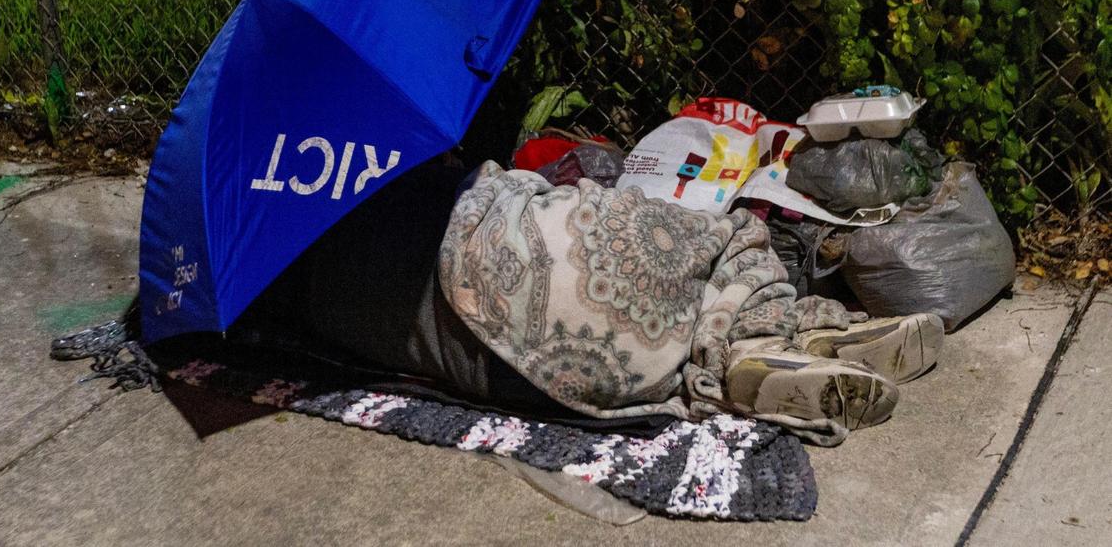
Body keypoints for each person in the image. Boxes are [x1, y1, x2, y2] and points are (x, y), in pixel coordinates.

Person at [289, 158, 942, 446]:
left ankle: (739, 361)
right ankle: (773, 324)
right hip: (522, 244)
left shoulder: (290, 283)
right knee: (717, 244)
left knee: (658, 337)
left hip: (526, 367)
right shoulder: (384, 170)